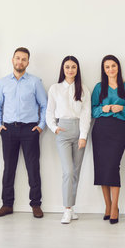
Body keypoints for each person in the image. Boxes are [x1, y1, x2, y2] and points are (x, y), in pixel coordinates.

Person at [0, 47, 47, 219]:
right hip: (8, 130)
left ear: (28, 62)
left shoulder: (35, 82)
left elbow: (44, 105)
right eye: (17, 58)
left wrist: (40, 126)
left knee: (33, 167)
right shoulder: (3, 82)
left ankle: (36, 204)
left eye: (24, 59)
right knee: (9, 168)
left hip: (29, 130)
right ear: (12, 60)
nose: (20, 62)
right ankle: (7, 204)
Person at [91, 55, 125, 224]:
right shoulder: (98, 88)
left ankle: (115, 206)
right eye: (107, 67)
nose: (111, 69)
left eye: (113, 66)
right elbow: (92, 110)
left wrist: (121, 108)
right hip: (100, 129)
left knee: (113, 166)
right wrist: (105, 108)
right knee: (102, 167)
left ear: (118, 67)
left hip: (118, 129)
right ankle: (107, 206)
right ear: (104, 70)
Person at [46, 56, 91, 224]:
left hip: (79, 129)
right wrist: (54, 128)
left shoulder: (84, 89)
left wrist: (83, 136)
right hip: (63, 131)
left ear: (77, 69)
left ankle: (71, 208)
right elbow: (49, 111)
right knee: (68, 171)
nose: (70, 70)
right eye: (67, 67)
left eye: (73, 67)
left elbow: (87, 114)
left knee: (76, 172)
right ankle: (66, 209)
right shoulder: (55, 88)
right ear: (63, 69)